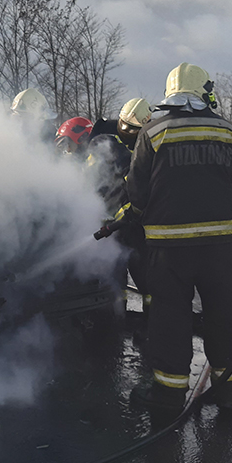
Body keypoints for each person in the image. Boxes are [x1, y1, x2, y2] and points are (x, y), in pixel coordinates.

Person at [123, 64, 232, 414]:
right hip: (219, 247)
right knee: (223, 317)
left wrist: (138, 212)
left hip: (168, 249)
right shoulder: (230, 132)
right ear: (202, 91)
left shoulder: (154, 130)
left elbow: (136, 191)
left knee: (170, 319)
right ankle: (229, 394)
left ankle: (168, 394)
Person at [92, 98, 153, 330]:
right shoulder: (104, 140)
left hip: (135, 223)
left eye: (134, 129)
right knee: (115, 277)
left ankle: (151, 325)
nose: (127, 131)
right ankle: (115, 324)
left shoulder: (148, 143)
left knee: (146, 278)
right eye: (124, 125)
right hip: (110, 223)